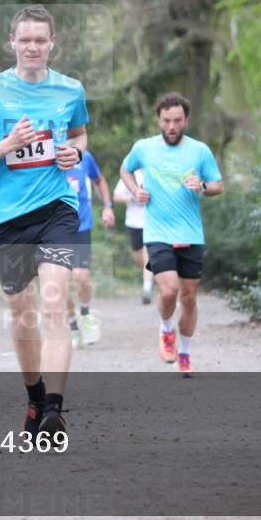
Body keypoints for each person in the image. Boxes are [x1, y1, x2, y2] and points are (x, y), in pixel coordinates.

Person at [0, 4, 88, 440]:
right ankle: (34, 399)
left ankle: (54, 409)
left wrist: (76, 151)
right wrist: (7, 144)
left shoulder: (70, 89)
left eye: (41, 40)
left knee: (54, 305)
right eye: (25, 40)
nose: (33, 47)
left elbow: (79, 134)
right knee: (22, 315)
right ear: (11, 43)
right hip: (6, 219)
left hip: (57, 209)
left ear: (52, 44)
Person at [119, 93, 223, 377]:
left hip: (191, 233)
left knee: (189, 297)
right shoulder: (144, 148)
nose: (172, 126)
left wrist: (201, 185)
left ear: (186, 120)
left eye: (177, 120)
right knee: (168, 290)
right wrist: (135, 191)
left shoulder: (200, 151)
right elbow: (125, 169)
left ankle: (186, 353)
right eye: (166, 120)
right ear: (159, 121)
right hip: (158, 232)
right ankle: (166, 331)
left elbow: (218, 185)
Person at [64, 149, 115, 349]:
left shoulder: (84, 155)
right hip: (55, 228)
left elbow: (99, 181)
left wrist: (108, 206)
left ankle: (85, 314)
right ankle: (72, 326)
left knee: (81, 277)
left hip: (81, 225)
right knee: (61, 282)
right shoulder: (45, 154)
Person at [112, 168, 155, 304]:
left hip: (153, 221)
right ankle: (156, 273)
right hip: (134, 222)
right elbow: (116, 196)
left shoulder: (155, 172)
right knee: (138, 257)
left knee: (147, 252)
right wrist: (132, 197)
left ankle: (146, 288)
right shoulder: (131, 175)